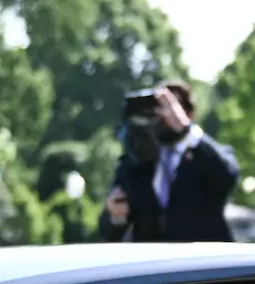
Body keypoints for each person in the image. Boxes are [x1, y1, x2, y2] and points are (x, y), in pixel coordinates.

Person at [100, 81, 239, 243]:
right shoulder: (137, 162)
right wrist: (117, 217)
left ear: (188, 114)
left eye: (172, 107)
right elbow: (108, 232)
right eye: (158, 107)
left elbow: (229, 177)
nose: (164, 115)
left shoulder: (205, 153)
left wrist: (186, 131)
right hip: (154, 257)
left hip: (202, 255)